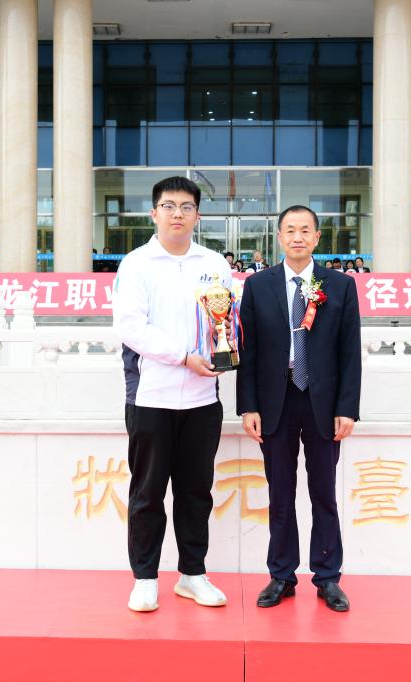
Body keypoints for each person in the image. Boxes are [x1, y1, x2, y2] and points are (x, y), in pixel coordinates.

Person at [113, 176, 231, 614]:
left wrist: (227, 347)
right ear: (154, 213)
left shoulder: (214, 264)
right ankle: (145, 578)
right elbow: (131, 327)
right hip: (151, 397)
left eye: (186, 206)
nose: (177, 213)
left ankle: (192, 575)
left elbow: (225, 319)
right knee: (147, 493)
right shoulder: (137, 264)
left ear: (197, 215)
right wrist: (182, 357)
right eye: (168, 206)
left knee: (196, 491)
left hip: (202, 399)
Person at [236, 204, 360, 613]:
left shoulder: (339, 285)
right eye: (290, 230)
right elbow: (249, 350)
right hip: (276, 400)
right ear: (279, 236)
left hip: (323, 402)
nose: (298, 237)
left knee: (324, 492)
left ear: (317, 237)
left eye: (305, 230)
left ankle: (327, 578)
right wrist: (248, 406)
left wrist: (347, 408)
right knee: (280, 493)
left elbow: (350, 352)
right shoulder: (259, 286)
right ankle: (281, 575)